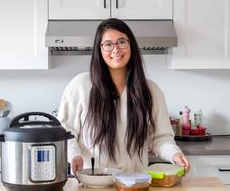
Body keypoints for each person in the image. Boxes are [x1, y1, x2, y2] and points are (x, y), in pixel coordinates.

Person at [57, 18, 190, 177]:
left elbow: (160, 138)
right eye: (108, 44)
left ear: (131, 45)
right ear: (99, 50)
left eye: (121, 42)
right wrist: (74, 155)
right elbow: (64, 131)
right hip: (92, 183)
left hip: (135, 184)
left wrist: (175, 154)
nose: (115, 49)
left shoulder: (151, 91)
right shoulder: (80, 85)